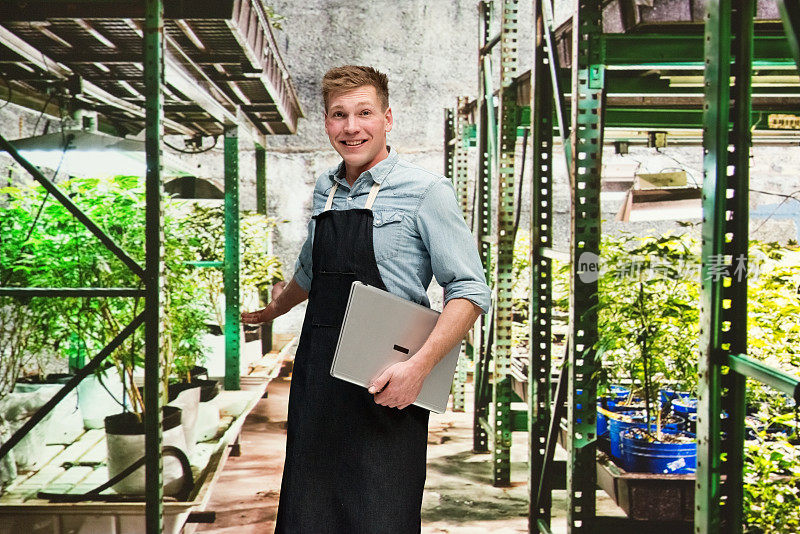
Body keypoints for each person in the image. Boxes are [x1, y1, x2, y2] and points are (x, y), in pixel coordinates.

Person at [241, 65, 490, 534]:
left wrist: (417, 368)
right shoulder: (325, 188)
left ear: (387, 118)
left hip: (387, 383)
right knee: (310, 514)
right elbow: (313, 272)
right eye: (338, 115)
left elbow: (471, 291)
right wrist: (275, 308)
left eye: (364, 113)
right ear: (327, 122)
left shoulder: (426, 191)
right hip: (318, 382)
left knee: (379, 515)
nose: (351, 127)